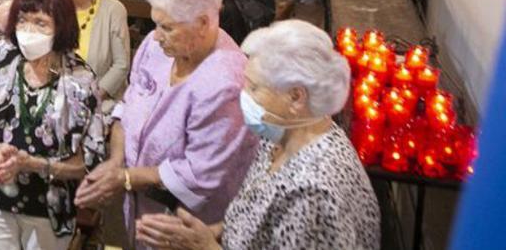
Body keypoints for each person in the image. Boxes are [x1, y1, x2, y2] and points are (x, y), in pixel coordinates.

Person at [136, 20, 378, 250]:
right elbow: (252, 216)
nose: (244, 96)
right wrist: (211, 233)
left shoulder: (312, 192)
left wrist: (205, 247)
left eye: (254, 88)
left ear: (296, 97)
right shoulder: (279, 135)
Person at [75, 0, 258, 247]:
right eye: (156, 23)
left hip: (186, 224)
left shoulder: (225, 83)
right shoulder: (156, 46)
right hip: (139, 209)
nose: (156, 35)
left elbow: (201, 174)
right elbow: (130, 105)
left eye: (167, 27)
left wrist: (124, 178)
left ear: (203, 23)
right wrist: (115, 161)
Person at [0, 0, 101, 249]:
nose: (28, 30)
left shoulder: (81, 80)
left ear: (61, 26)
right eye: (23, 20)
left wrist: (33, 164)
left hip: (50, 205)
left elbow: (86, 162)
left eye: (40, 23)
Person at [61, 0, 130, 112]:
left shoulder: (113, 9)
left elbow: (121, 64)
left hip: (101, 100)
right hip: (61, 97)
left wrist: (94, 97)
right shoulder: (57, 7)